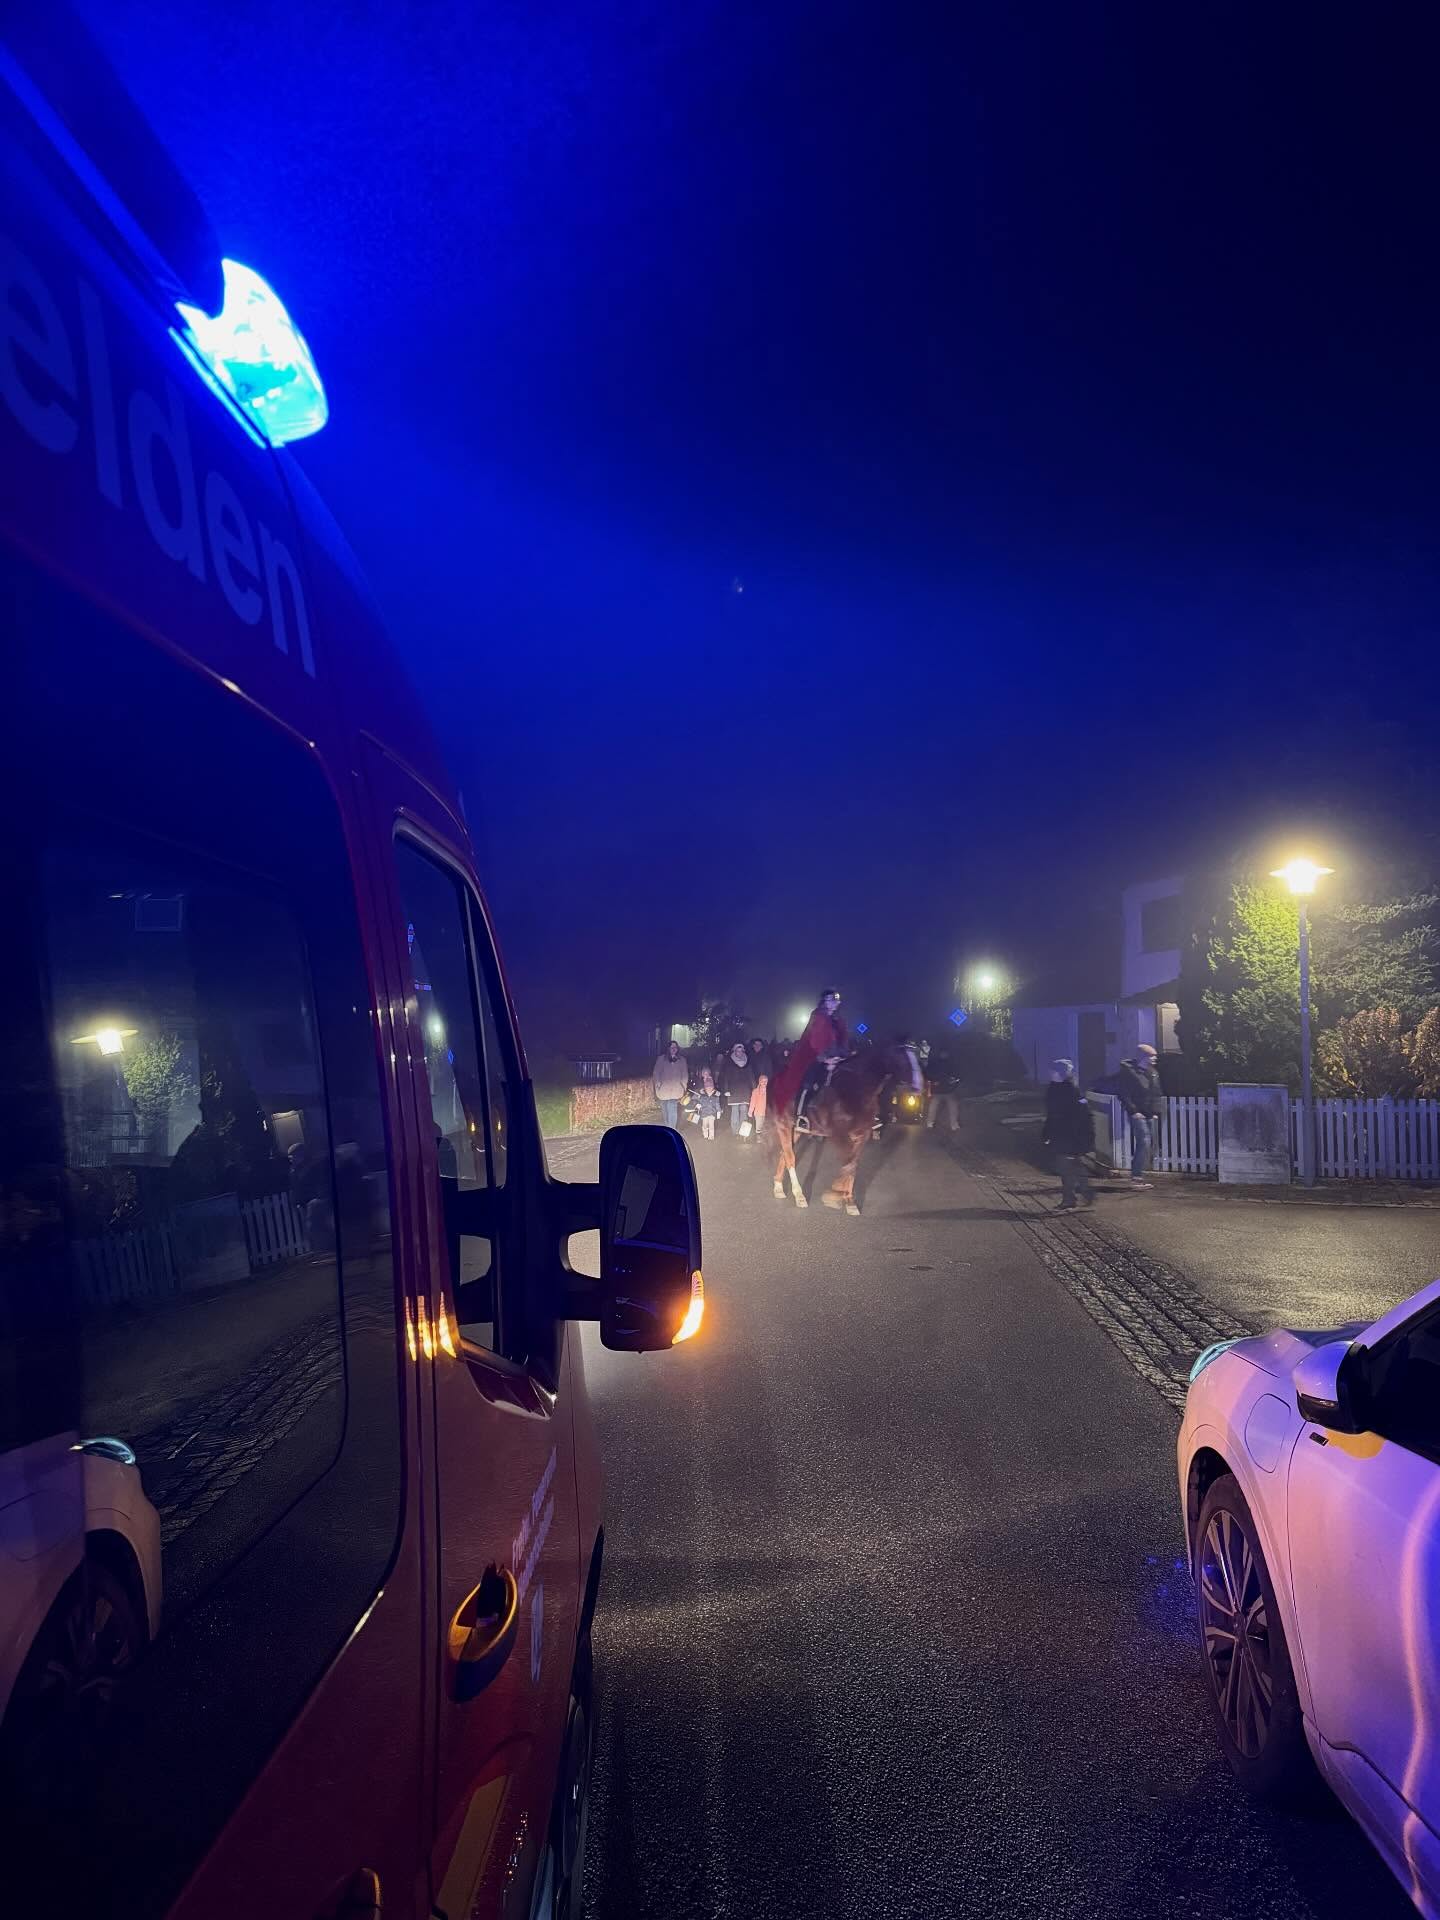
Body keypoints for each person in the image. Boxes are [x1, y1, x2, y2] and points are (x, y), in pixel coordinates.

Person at [769, 990, 848, 1129]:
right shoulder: (818, 1016)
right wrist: (826, 1059)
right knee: (809, 1083)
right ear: (825, 1001)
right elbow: (815, 1041)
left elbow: (843, 1039)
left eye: (836, 1001)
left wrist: (841, 1055)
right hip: (815, 1057)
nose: (835, 1003)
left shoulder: (837, 1020)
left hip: (836, 1058)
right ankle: (800, 1115)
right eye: (832, 1000)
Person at [1043, 1059, 1096, 1210]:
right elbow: (1051, 1114)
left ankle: (1071, 1198)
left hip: (1071, 1135)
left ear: (1060, 1073)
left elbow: (1084, 1115)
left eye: (1052, 1071)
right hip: (1060, 1134)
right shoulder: (1053, 1089)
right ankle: (1082, 1192)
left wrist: (1085, 1135)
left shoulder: (1072, 1091)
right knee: (1071, 1165)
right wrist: (1047, 1133)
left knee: (1066, 1166)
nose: (1049, 1073)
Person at [1118, 1041, 1162, 1189]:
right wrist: (1133, 1111)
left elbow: (1156, 1093)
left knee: (1148, 1143)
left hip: (1149, 1113)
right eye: (1152, 1056)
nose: (1155, 1059)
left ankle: (1138, 1175)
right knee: (1143, 1141)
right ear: (1144, 1057)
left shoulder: (1153, 1072)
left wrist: (1155, 1112)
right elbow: (1124, 1093)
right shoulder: (1130, 1072)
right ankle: (1136, 1177)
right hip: (1138, 1114)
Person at [721, 1041, 756, 1137]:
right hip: (733, 1092)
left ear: (743, 1051)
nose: (739, 1053)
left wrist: (754, 1089)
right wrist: (726, 1089)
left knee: (744, 1111)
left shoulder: (747, 1062)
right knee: (735, 1112)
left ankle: (742, 1132)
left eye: (741, 1051)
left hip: (745, 1091)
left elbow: (751, 1076)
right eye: (737, 1051)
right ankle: (735, 1132)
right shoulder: (729, 1062)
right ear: (734, 1051)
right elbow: (726, 1077)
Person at [653, 1038, 689, 1129]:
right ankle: (667, 1127)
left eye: (675, 1047)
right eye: (672, 1047)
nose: (674, 1049)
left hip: (676, 1089)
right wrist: (657, 1082)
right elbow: (656, 1072)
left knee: (672, 1108)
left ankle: (672, 1129)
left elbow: (685, 1073)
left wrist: (684, 1085)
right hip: (663, 1089)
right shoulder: (661, 1059)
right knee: (665, 1110)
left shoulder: (682, 1060)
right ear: (668, 1048)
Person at [925, 1043, 960, 1133]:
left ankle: (930, 1123)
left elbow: (928, 1074)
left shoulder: (935, 1063)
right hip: (946, 1089)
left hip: (941, 1088)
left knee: (937, 1105)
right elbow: (955, 1075)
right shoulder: (949, 1063)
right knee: (951, 1106)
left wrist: (933, 1081)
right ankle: (953, 1125)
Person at [692, 1070, 724, 1141]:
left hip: (712, 1113)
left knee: (711, 1126)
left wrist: (719, 1111)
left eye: (710, 1087)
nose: (709, 1089)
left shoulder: (715, 1096)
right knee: (704, 1126)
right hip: (704, 1113)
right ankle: (705, 1135)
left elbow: (717, 1103)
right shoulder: (702, 1095)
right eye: (707, 1087)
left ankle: (711, 1136)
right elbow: (694, 1099)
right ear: (705, 1088)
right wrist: (697, 1104)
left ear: (713, 1088)